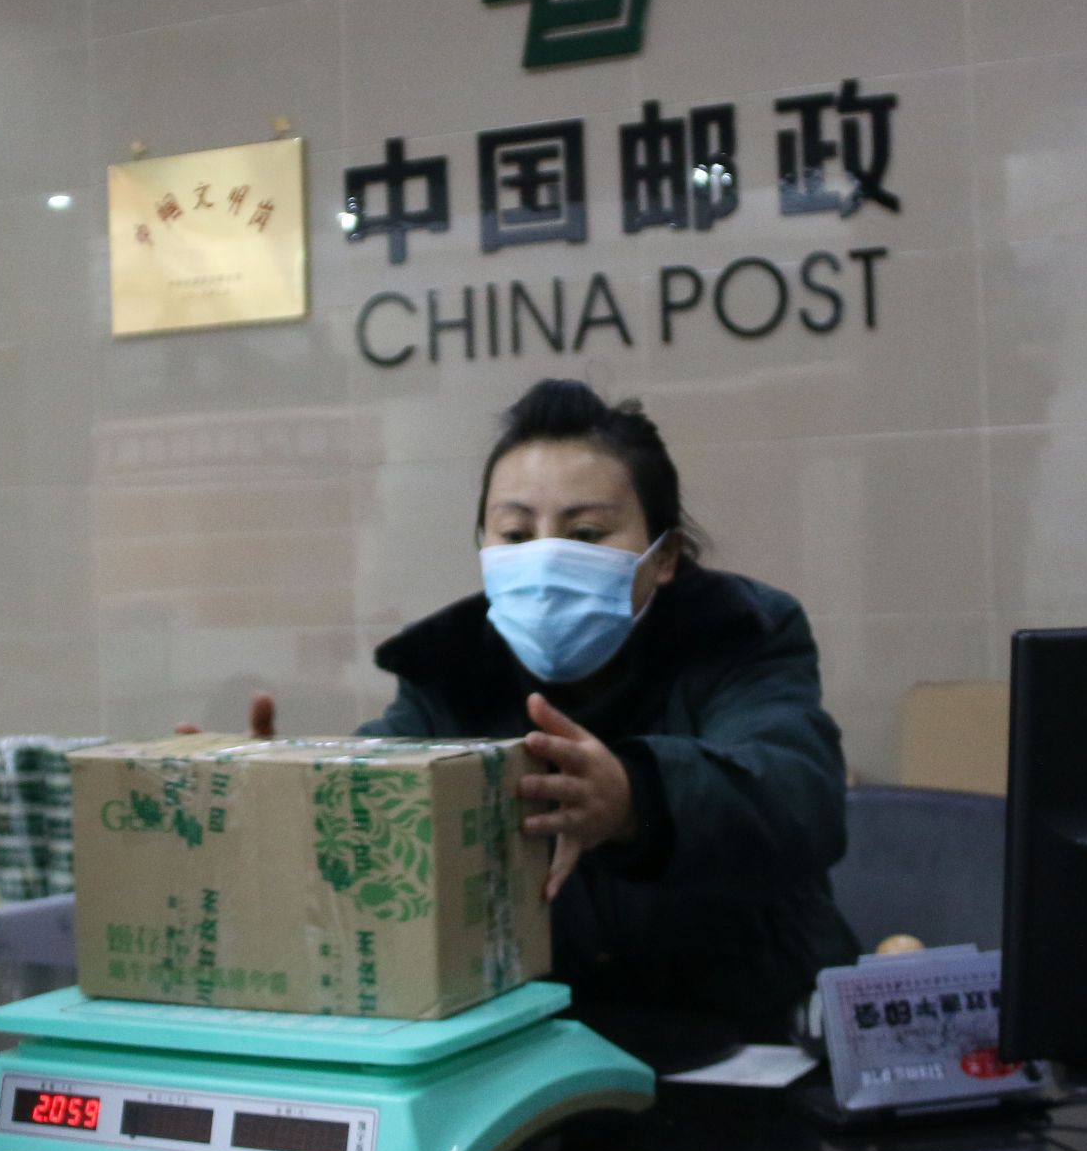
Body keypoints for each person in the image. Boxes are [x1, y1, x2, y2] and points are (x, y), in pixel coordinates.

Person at [234, 380, 857, 1037]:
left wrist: (635, 798)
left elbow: (797, 796)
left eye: (585, 532)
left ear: (665, 556)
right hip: (537, 1047)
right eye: (515, 533)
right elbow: (379, 792)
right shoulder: (448, 672)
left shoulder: (741, 637)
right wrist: (272, 793)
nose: (545, 557)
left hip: (748, 1036)